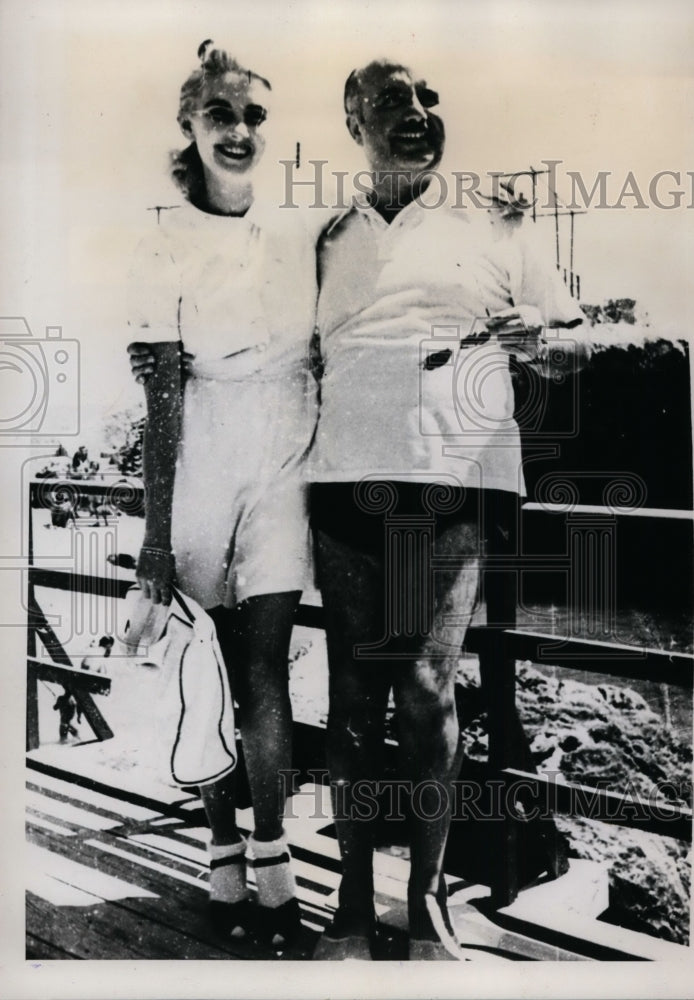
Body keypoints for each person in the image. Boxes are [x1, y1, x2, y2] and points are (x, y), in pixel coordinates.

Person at [307, 59, 589, 960]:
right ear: (354, 120)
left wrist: (539, 339)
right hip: (343, 479)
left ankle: (424, 903)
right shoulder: (322, 235)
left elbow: (572, 346)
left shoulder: (496, 219)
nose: (419, 112)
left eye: (429, 98)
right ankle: (352, 906)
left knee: (427, 692)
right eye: (393, 99)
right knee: (352, 697)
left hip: (453, 478)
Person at [127, 40, 317, 949]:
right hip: (200, 450)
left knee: (264, 669)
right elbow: (161, 399)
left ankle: (275, 868)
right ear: (189, 125)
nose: (238, 131)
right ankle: (221, 857)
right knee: (202, 670)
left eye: (253, 116)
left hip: (285, 453)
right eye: (220, 115)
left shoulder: (301, 230)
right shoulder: (159, 236)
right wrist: (156, 537)